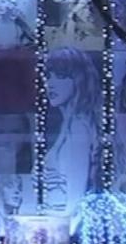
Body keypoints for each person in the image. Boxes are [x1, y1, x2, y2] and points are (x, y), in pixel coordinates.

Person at [43, 48, 101, 215]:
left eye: (60, 76)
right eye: (48, 76)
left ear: (79, 80)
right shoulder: (69, 124)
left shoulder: (78, 127)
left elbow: (75, 203)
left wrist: (62, 235)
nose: (50, 84)